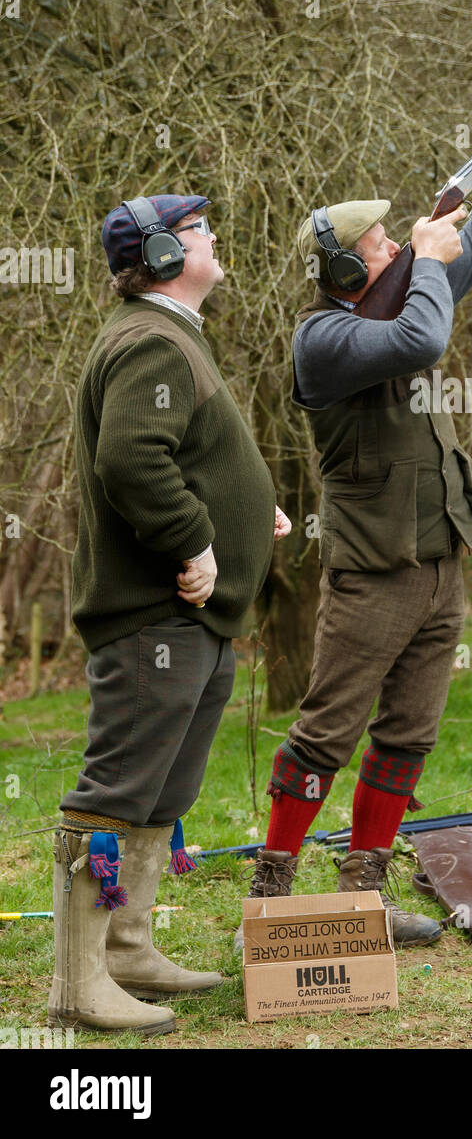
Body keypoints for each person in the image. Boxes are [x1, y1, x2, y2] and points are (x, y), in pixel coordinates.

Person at [237, 96, 472, 946]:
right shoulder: (324, 339)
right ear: (353, 274)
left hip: (438, 555)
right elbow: (421, 338)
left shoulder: (401, 293)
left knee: (408, 736)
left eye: (395, 241)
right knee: (325, 734)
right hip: (376, 566)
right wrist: (423, 256)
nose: (397, 247)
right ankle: (272, 896)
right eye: (383, 245)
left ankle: (364, 891)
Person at [50, 193, 291, 1035]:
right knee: (117, 793)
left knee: (162, 791)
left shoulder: (173, 334)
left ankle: (127, 949)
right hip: (155, 615)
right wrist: (196, 539)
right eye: (197, 230)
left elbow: (181, 452)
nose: (215, 235)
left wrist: (244, 511)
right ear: (158, 252)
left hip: (193, 621)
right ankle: (80, 984)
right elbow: (130, 456)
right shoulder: (151, 338)